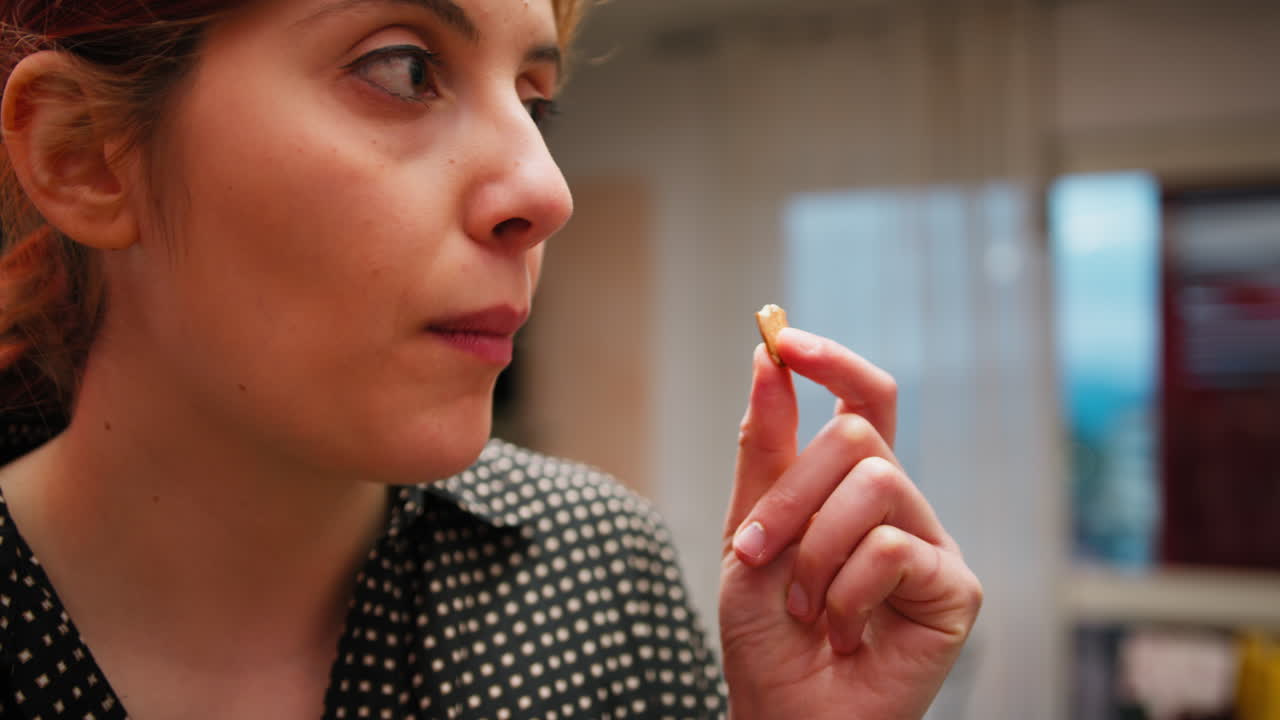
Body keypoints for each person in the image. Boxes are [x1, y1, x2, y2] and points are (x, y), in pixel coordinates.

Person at [0, 0, 983, 717]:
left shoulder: (602, 577)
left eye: (533, 100)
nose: (548, 192)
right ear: (82, 154)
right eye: (402, 69)